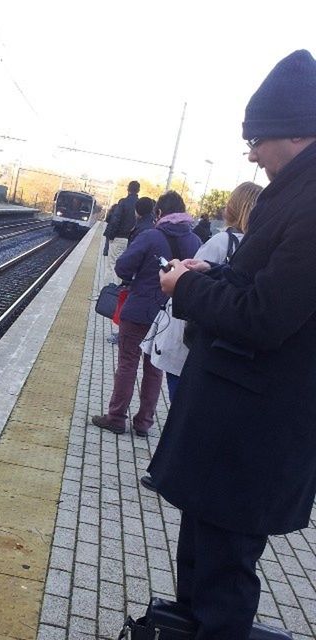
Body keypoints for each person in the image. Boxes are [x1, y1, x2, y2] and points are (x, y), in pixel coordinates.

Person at [148, 49, 316, 639]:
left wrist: (188, 288)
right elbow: (257, 285)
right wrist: (206, 274)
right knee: (201, 567)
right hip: (236, 438)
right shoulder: (295, 192)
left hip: (253, 443)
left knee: (223, 582)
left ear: (295, 130)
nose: (250, 154)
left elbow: (267, 316)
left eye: (257, 139)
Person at [91, 191, 201, 437]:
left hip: (139, 309)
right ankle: (144, 423)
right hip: (170, 316)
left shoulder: (151, 235)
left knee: (128, 363)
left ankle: (116, 417)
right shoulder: (194, 241)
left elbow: (123, 267)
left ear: (159, 213)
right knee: (155, 368)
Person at [144, 181, 262, 401]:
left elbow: (187, 284)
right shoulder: (257, 245)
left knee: (179, 402)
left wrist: (176, 278)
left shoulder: (220, 241)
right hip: (222, 346)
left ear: (234, 207)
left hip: (187, 343)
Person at [103, 180, 140, 285]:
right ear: (138, 190)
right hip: (132, 241)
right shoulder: (140, 204)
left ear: (128, 189)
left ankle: (105, 292)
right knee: (123, 266)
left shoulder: (123, 202)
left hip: (119, 238)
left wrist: (110, 236)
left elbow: (115, 220)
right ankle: (117, 292)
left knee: (111, 265)